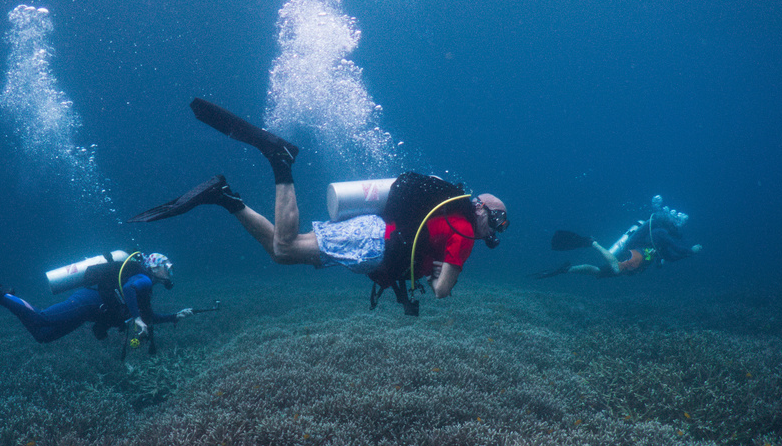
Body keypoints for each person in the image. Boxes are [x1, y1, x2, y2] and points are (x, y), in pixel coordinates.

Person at [129, 98, 509, 314]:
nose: (496, 230)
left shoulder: (449, 212)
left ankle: (224, 197)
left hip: (373, 238)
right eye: (497, 221)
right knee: (285, 246)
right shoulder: (462, 235)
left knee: (281, 255)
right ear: (480, 210)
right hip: (373, 244)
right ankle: (279, 159)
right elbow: (442, 291)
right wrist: (439, 276)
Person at [0, 252, 194, 346]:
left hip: (91, 309)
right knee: (42, 319)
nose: (169, 271)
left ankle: (6, 296)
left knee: (43, 336)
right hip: (88, 301)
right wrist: (140, 319)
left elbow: (148, 315)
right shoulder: (142, 278)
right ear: (155, 266)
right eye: (166, 267)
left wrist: (174, 317)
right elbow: (130, 293)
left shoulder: (146, 282)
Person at [534, 196, 703, 279]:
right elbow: (676, 248)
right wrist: (691, 251)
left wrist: (686, 253)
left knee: (599, 272)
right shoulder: (660, 233)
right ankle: (593, 243)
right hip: (635, 253)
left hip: (637, 258)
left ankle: (566, 269)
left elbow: (671, 257)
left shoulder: (659, 236)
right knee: (616, 268)